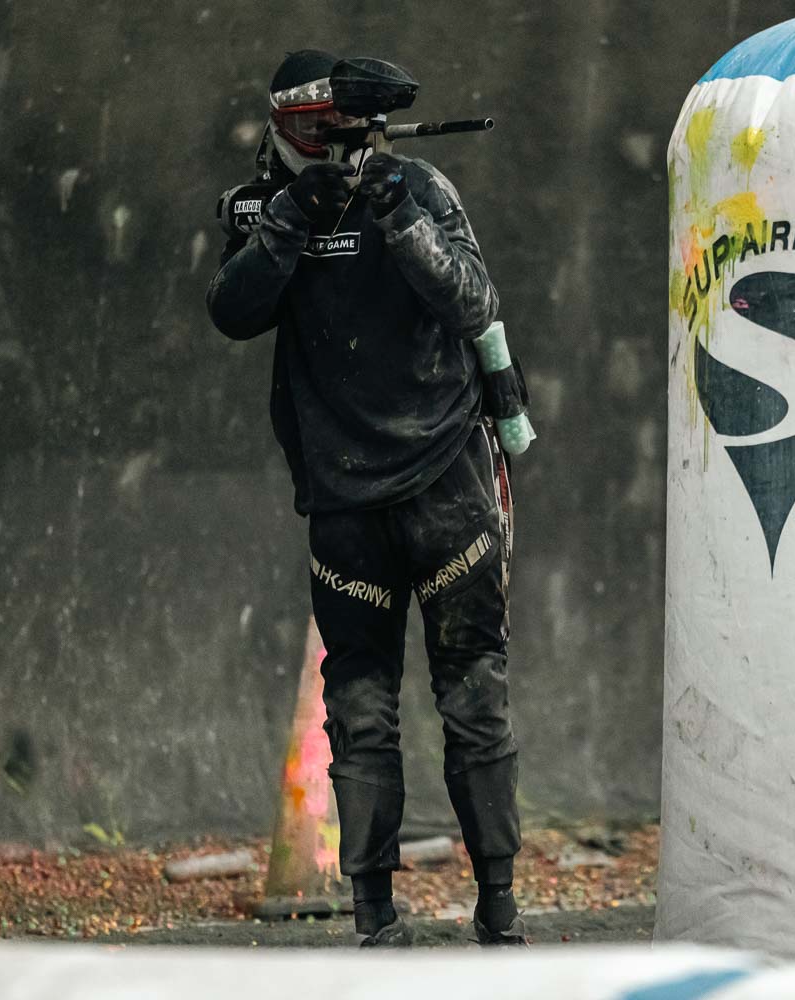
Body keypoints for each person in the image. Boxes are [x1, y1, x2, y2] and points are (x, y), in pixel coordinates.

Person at [206, 50, 525, 947]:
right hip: (345, 502)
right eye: (309, 132)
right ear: (284, 128)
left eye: (337, 129)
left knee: (474, 692)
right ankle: (374, 916)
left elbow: (475, 304)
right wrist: (290, 221)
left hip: (445, 483)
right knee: (360, 705)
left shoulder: (417, 188)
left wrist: (397, 217)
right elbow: (232, 311)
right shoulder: (269, 207)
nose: (327, 146)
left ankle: (500, 907)